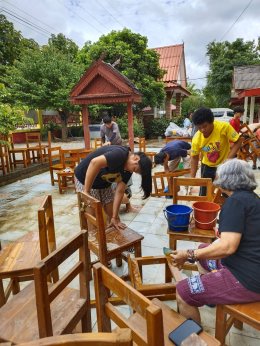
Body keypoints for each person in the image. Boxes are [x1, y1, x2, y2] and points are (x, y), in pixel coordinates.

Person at [170, 159, 260, 324]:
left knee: (183, 291)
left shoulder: (236, 202)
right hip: (246, 265)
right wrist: (199, 253)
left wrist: (189, 254)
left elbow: (227, 247)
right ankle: (210, 295)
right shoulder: (252, 198)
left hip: (247, 279)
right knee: (204, 250)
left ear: (227, 179)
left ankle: (194, 340)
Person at [74, 145, 152, 230]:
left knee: (111, 214)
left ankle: (111, 231)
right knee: (93, 216)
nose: (132, 171)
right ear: (136, 159)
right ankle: (93, 238)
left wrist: (114, 217)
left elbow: (120, 191)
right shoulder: (120, 154)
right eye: (134, 169)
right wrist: (86, 191)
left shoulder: (128, 170)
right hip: (85, 178)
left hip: (103, 181)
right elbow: (94, 162)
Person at [190, 107, 242, 195]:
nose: (202, 130)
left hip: (224, 166)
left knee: (227, 193)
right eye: (199, 128)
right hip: (207, 166)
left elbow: (238, 141)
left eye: (205, 126)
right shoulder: (196, 138)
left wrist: (228, 160)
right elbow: (194, 158)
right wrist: (192, 178)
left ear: (212, 122)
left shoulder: (224, 127)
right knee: (204, 194)